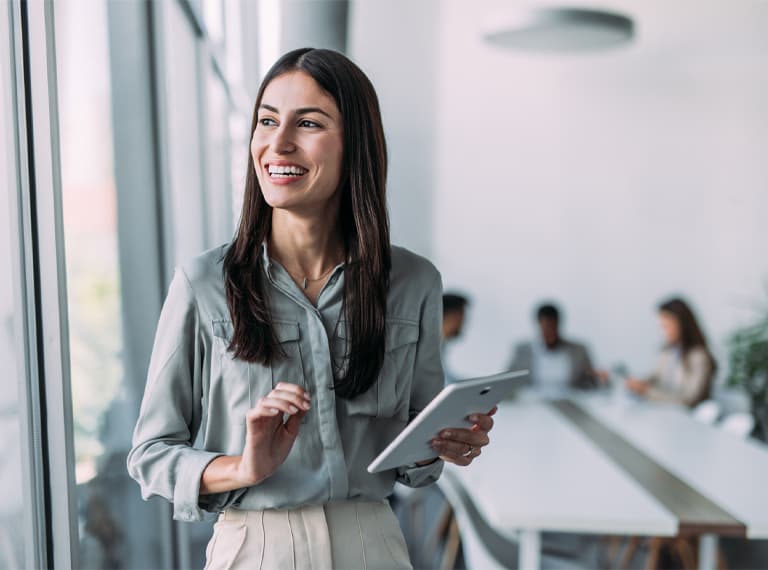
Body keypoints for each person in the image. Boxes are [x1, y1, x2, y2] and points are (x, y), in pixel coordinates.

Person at [127, 47, 496, 570]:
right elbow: (151, 454)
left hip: (375, 546)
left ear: (356, 146)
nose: (278, 143)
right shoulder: (204, 283)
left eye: (308, 123)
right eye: (267, 121)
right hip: (255, 549)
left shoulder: (413, 282)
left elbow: (417, 455)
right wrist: (243, 467)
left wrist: (446, 443)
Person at [625, 297, 716, 408]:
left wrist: (647, 391)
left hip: (686, 417)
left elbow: (689, 400)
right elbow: (657, 377)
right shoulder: (667, 350)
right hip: (665, 411)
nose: (664, 332)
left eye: (667, 326)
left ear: (682, 324)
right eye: (663, 327)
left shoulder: (699, 356)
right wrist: (642, 383)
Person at [508, 303, 606, 395]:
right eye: (546, 327)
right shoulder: (522, 351)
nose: (550, 332)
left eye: (553, 327)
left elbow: (593, 382)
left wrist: (600, 379)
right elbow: (508, 381)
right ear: (539, 324)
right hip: (532, 404)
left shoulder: (579, 350)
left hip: (570, 401)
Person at [441, 293, 469, 383]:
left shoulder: (441, 345)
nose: (463, 323)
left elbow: (447, 377)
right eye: (461, 317)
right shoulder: (427, 348)